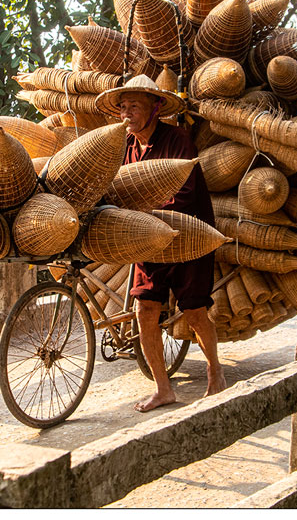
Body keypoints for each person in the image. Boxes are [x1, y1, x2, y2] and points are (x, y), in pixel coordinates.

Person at [95, 74, 227, 412]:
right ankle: (163, 388)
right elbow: (115, 185)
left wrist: (139, 211)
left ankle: (215, 373)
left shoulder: (177, 140)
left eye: (134, 106)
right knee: (144, 310)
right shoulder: (124, 145)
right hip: (146, 240)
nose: (127, 113)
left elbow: (181, 193)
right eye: (123, 107)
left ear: (156, 108)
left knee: (195, 313)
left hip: (187, 238)